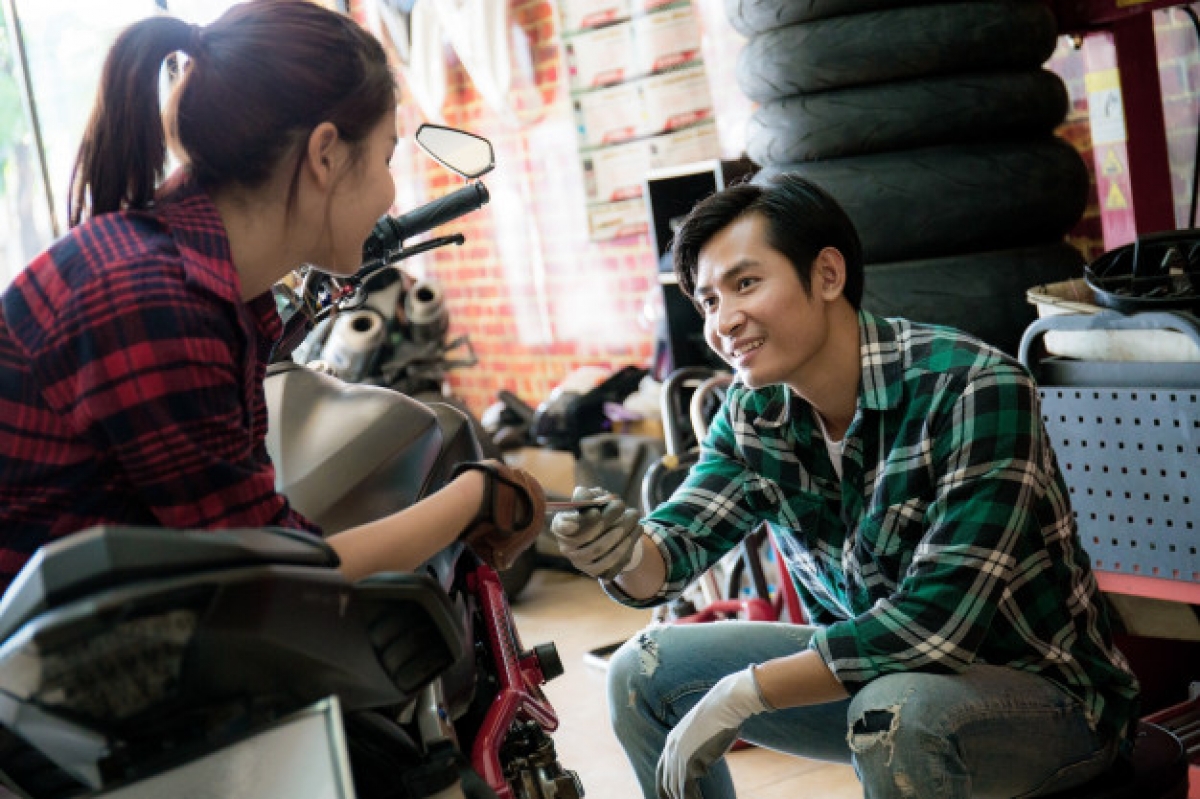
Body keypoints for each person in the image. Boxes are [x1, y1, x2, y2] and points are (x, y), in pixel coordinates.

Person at [550, 174, 1140, 799]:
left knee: (897, 711)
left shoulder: (971, 387)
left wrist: (744, 693)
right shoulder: (756, 415)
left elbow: (933, 629)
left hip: (1049, 703)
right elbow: (668, 558)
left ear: (828, 275)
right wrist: (619, 551)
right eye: (708, 301)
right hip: (874, 681)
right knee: (638, 674)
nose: (724, 322)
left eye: (745, 283)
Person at [0, 0, 544, 596]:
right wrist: (475, 496)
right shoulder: (151, 300)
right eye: (387, 156)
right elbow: (274, 574)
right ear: (326, 154)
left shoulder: (197, 287)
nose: (390, 192)